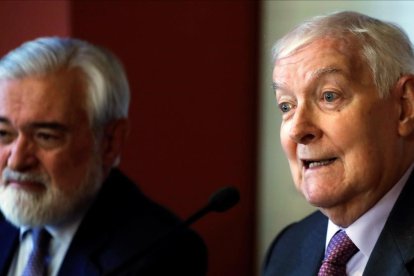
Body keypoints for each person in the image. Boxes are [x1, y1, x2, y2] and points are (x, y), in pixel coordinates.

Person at [0, 37, 207, 276]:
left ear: (109, 143)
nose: (16, 161)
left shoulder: (160, 253)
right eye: (3, 134)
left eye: (46, 136)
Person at [263, 11, 414, 276]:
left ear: (404, 106)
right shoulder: (288, 248)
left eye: (329, 96)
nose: (298, 129)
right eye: (286, 105)